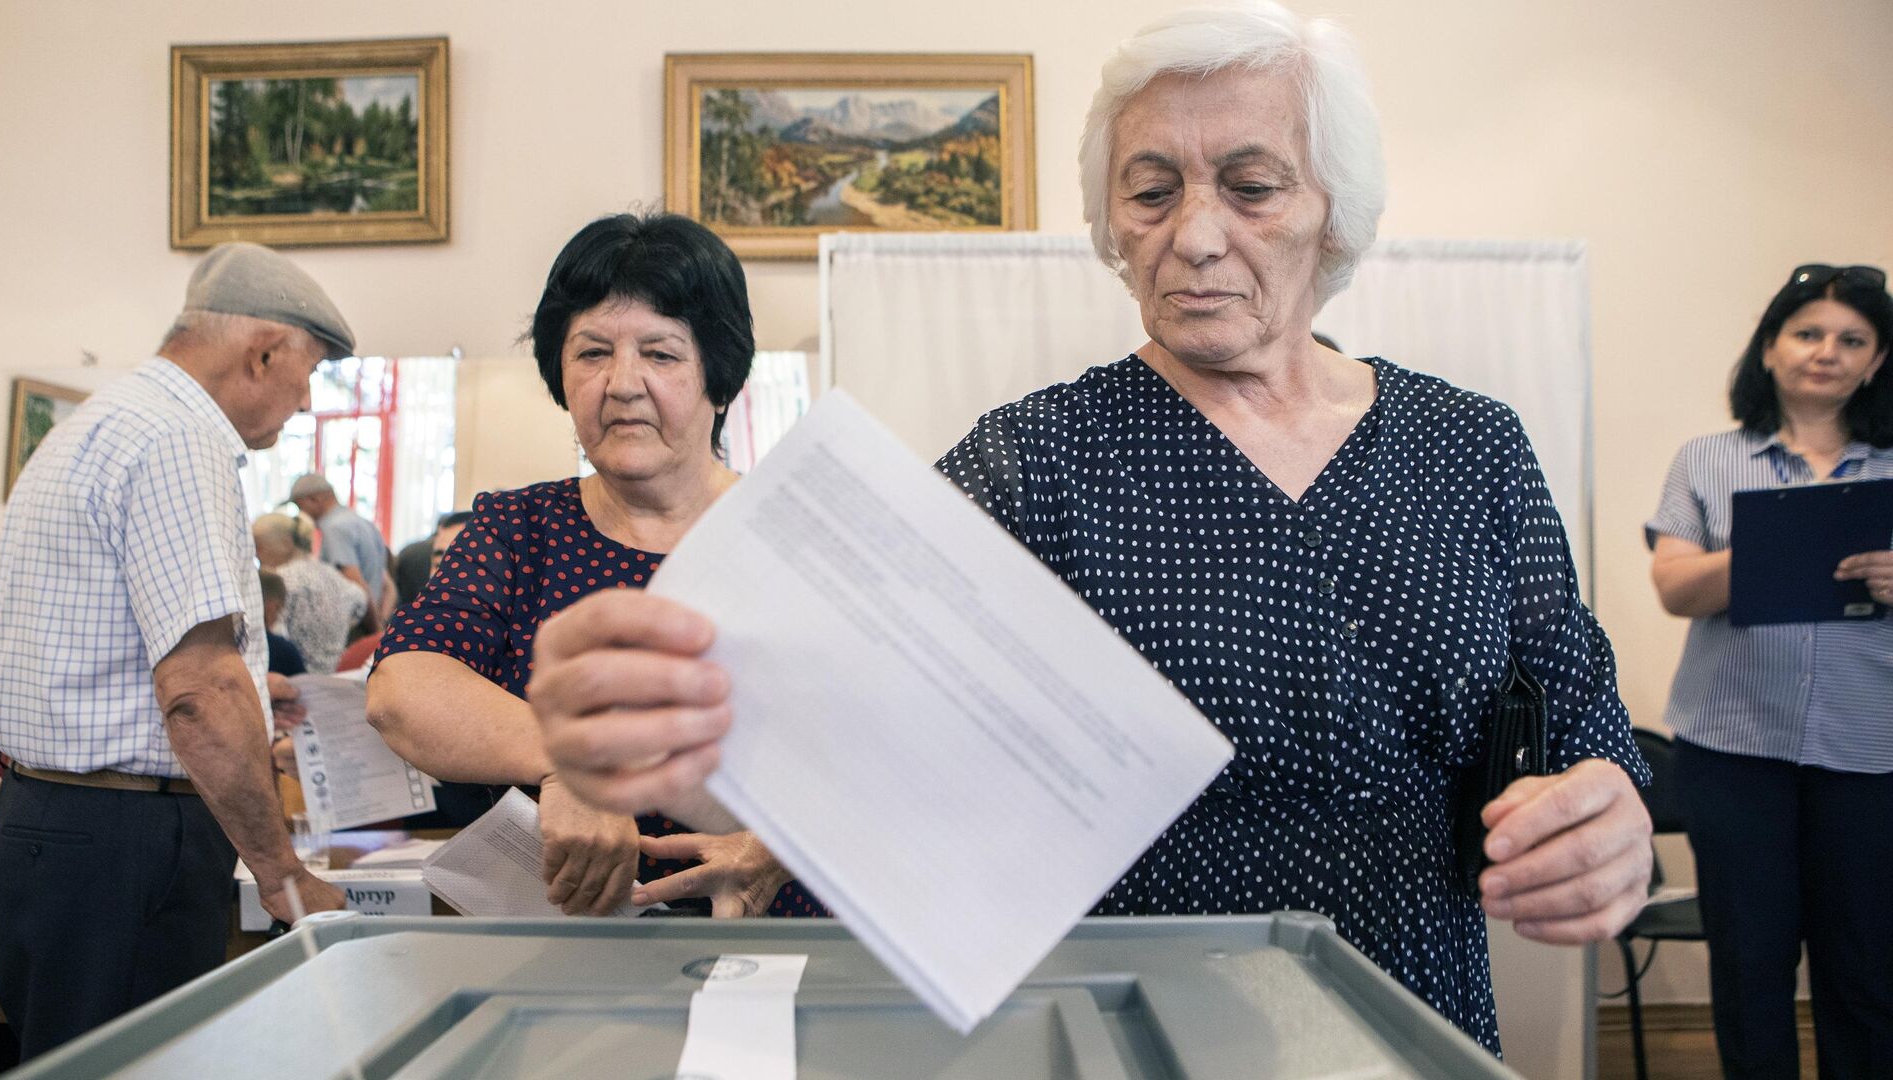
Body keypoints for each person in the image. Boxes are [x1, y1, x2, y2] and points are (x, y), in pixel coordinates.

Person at [524, 2, 1653, 1053]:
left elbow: (1584, 721)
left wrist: (1611, 821)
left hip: (1415, 1026)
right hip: (1131, 1033)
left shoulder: (1470, 449)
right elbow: (843, 731)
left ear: (1334, 214)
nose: (1196, 235)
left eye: (1251, 186)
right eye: (1152, 191)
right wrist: (649, 717)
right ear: (1113, 224)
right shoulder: (1032, 465)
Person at [368, 213, 820, 918]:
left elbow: (900, 747)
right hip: (568, 955)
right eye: (592, 353)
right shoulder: (520, 530)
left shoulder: (801, 535)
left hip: (781, 939)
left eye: (661, 354)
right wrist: (567, 764)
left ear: (719, 378)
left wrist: (779, 848)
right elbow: (402, 687)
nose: (622, 383)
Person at [0, 242, 350, 1059]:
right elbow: (199, 692)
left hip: (48, 825)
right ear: (263, 352)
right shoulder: (182, 439)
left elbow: (113, 654)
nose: (304, 401)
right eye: (312, 373)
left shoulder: (101, 424)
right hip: (125, 842)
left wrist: (257, 692)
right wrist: (285, 875)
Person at [1646, 264, 1893, 1079]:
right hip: (1734, 750)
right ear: (1771, 346)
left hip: (1870, 755)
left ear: (1878, 360)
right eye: (1808, 332)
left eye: (1852, 339)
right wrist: (1770, 550)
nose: (1828, 352)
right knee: (1749, 970)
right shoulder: (1709, 460)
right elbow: (1675, 588)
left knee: (1864, 972)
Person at [252, 512, 367, 674]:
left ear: (286, 543)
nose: (255, 554)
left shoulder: (278, 581)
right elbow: (360, 601)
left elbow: (273, 639)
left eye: (259, 546)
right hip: (332, 679)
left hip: (292, 680)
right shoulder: (331, 574)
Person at [288, 473, 389, 612]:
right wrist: (382, 623)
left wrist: (376, 627)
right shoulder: (363, 522)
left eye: (300, 507)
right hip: (371, 619)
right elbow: (386, 585)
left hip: (357, 625)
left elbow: (357, 586)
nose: (301, 513)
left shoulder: (335, 530)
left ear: (315, 499)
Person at [258, 571, 307, 677]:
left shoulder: (229, 643)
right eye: (280, 609)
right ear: (272, 607)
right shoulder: (283, 651)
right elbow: (304, 689)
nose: (278, 617)